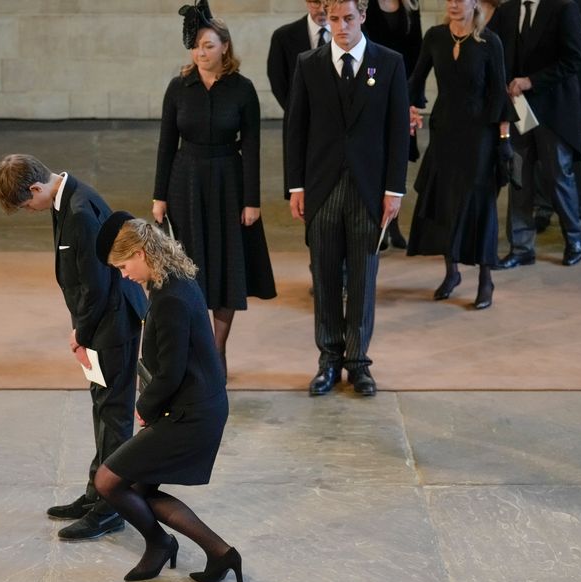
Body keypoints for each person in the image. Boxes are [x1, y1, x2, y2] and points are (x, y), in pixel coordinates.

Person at [0, 154, 148, 541]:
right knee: (103, 408)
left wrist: (80, 331)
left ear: (36, 188)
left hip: (111, 321)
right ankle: (98, 490)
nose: (30, 210)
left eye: (27, 204)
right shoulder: (67, 198)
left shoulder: (80, 210)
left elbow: (95, 285)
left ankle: (112, 507)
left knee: (113, 415)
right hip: (103, 320)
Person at [93, 213, 241, 582]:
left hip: (192, 414)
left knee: (109, 481)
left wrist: (144, 410)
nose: (124, 275)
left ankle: (160, 543)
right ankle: (219, 553)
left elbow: (172, 372)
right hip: (191, 406)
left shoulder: (171, 297)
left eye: (124, 266)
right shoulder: (171, 281)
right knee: (138, 489)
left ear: (142, 253)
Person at [286, 0, 410, 397]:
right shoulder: (309, 64)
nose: (340, 26)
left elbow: (396, 131)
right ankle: (328, 361)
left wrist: (394, 190)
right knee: (323, 277)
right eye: (333, 19)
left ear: (363, 18)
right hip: (321, 189)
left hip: (369, 190)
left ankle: (358, 363)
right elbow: (296, 129)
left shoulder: (388, 63)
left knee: (362, 277)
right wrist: (296, 187)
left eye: (348, 18)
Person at [153, 1, 277, 375]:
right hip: (185, 181)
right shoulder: (179, 88)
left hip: (228, 181)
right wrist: (158, 196)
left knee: (225, 267)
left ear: (225, 46)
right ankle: (199, 347)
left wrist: (252, 201)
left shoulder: (243, 90)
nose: (201, 52)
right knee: (191, 268)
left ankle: (217, 350)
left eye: (208, 45)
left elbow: (253, 147)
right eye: (195, 46)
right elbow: (165, 144)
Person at [406, 0, 512, 310]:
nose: (453, 3)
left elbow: (498, 95)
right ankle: (451, 272)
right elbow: (415, 80)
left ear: (474, 2)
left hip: (480, 135)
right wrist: (407, 107)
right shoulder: (435, 36)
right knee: (445, 200)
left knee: (477, 203)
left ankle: (485, 279)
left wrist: (503, 140)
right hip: (444, 133)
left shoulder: (490, 42)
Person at [494, 0, 581, 268]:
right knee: (519, 177)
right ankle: (522, 247)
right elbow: (496, 52)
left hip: (554, 111)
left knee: (558, 175)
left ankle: (574, 238)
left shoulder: (563, 7)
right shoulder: (507, 10)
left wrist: (531, 81)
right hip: (519, 110)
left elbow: (573, 60)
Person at [532, 0, 581, 236]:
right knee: (534, 137)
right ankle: (542, 208)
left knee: (572, 139)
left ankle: (577, 210)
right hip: (534, 70)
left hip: (570, 73)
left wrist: (573, 44)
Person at [363, 0, 423, 250]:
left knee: (397, 158)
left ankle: (394, 224)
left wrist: (412, 99)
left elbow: (418, 53)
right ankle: (379, 224)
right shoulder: (366, 5)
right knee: (376, 159)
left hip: (403, 91)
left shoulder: (411, 7)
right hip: (373, 88)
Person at [268, 1, 331, 200]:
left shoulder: (353, 33)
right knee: (304, 191)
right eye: (315, 2)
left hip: (339, 125)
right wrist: (299, 112)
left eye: (326, 2)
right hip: (300, 123)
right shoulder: (284, 36)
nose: (321, 9)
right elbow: (278, 80)